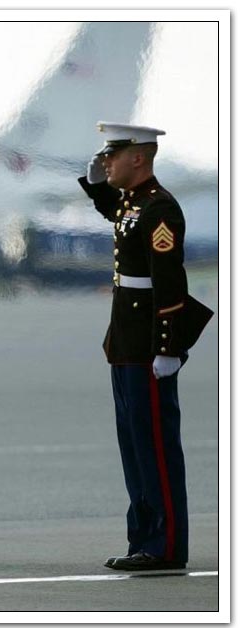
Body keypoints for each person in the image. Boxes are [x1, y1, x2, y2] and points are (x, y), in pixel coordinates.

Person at [78, 121, 213, 571]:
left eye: (112, 155)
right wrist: (96, 182)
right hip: (126, 342)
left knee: (155, 446)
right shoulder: (134, 203)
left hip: (148, 345)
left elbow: (170, 283)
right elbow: (116, 214)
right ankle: (144, 539)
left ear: (138, 157)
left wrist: (168, 348)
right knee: (135, 446)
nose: (106, 162)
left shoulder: (160, 208)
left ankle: (166, 546)